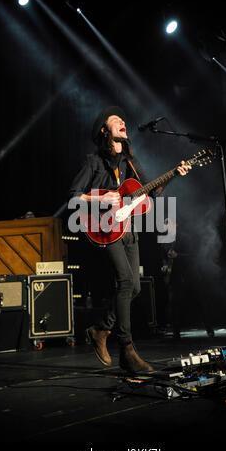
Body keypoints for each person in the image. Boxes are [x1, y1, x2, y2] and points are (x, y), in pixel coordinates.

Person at [68, 106, 191, 373]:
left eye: (123, 120)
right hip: (103, 227)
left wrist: (173, 175)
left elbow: (151, 192)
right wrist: (100, 197)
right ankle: (127, 349)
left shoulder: (131, 163)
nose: (123, 121)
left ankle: (100, 329)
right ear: (104, 130)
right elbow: (74, 197)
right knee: (124, 281)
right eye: (116, 120)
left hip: (129, 229)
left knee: (134, 288)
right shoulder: (93, 162)